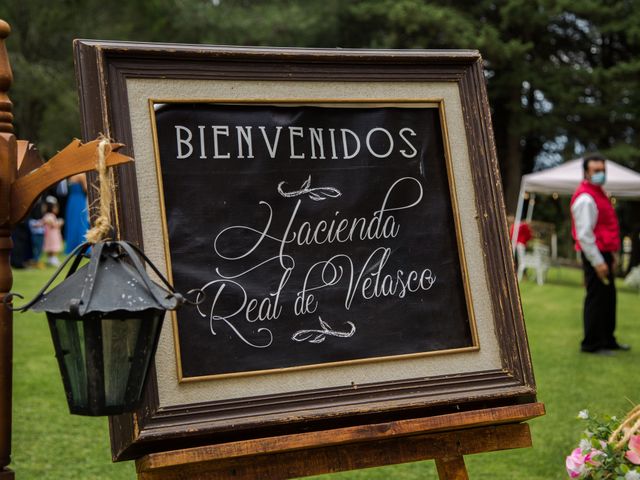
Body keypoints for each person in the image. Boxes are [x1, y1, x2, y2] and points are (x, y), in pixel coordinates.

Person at [570, 152, 628, 354]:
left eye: (603, 170)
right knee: (596, 298)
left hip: (604, 253)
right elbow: (584, 235)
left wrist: (611, 256)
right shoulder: (585, 198)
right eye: (596, 170)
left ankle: (607, 339)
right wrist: (597, 261)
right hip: (594, 254)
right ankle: (591, 343)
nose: (601, 174)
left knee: (608, 298)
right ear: (586, 172)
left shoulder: (599, 193)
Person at [64, 173, 89, 253]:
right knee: (81, 222)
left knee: (72, 223)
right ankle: (82, 245)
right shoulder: (81, 175)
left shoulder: (70, 176)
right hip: (79, 201)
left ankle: (72, 246)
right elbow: (86, 189)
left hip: (71, 201)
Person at [42, 196, 64, 267]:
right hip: (52, 236)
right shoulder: (50, 216)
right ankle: (53, 259)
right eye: (55, 207)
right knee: (53, 247)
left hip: (48, 235)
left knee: (50, 246)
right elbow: (53, 225)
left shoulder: (46, 216)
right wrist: (60, 223)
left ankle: (50, 259)